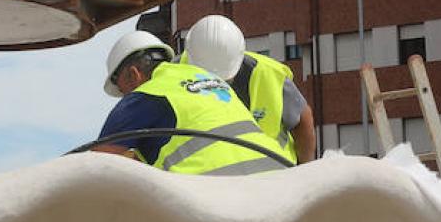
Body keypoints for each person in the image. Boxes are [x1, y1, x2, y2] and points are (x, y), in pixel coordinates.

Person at [90, 29, 291, 176]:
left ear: (134, 75)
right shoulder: (207, 79)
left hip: (218, 190)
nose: (124, 96)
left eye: (122, 89)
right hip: (278, 176)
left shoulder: (144, 96)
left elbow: (93, 169)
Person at [180, 14, 317, 164]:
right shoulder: (173, 74)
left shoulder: (269, 75)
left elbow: (303, 120)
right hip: (207, 173)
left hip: (272, 174)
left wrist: (304, 170)